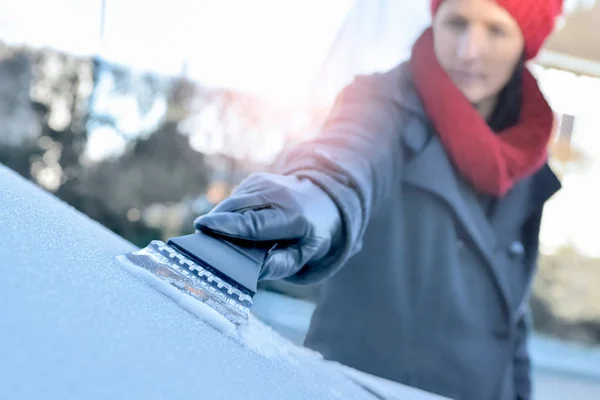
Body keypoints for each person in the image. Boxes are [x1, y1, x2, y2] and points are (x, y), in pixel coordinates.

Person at [194, 0, 564, 398]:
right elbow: (348, 155)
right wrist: (317, 198)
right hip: (363, 388)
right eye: (456, 22)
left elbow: (510, 313)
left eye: (496, 30)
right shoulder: (381, 103)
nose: (469, 49)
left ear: (526, 42)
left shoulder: (529, 162)